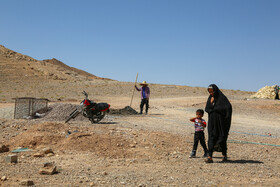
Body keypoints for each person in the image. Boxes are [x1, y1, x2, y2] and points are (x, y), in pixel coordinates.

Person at [205, 84, 232, 163]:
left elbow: (227, 108)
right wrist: (211, 103)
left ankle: (224, 155)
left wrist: (216, 108)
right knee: (211, 137)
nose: (211, 93)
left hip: (221, 123)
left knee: (222, 137)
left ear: (215, 90)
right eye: (209, 92)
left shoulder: (222, 98)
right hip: (212, 122)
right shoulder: (210, 98)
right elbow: (207, 109)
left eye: (212, 91)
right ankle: (210, 157)